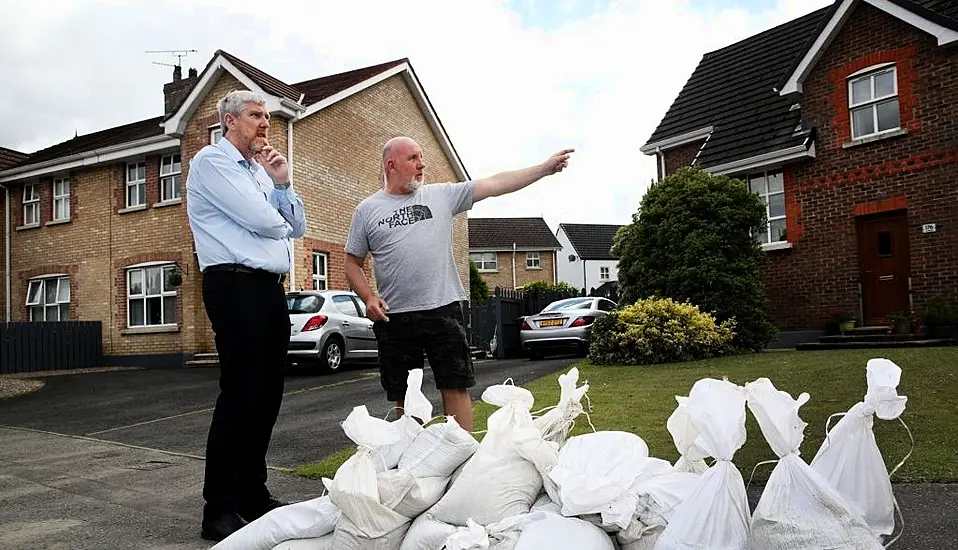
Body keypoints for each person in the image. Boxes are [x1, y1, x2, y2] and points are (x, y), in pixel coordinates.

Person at [345, 136, 573, 431]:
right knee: (405, 394)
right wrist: (368, 297)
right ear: (392, 164)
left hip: (443, 309)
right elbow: (352, 263)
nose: (422, 163)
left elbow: (494, 184)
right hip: (395, 316)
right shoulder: (367, 211)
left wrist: (543, 168)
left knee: (455, 385)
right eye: (414, 158)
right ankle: (412, 459)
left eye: (421, 157)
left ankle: (463, 458)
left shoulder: (441, 195)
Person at [186, 89, 307, 542]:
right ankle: (217, 509)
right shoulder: (211, 163)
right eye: (257, 115)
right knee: (240, 394)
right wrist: (273, 213)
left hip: (268, 289)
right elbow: (264, 223)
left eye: (268, 116)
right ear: (229, 121)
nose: (265, 123)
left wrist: (282, 184)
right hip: (233, 284)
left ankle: (253, 496)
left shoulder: (259, 173)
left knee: (268, 394)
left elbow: (296, 226)